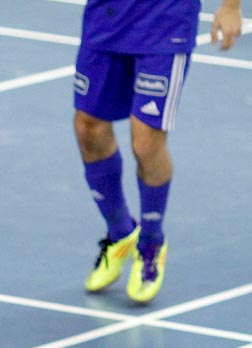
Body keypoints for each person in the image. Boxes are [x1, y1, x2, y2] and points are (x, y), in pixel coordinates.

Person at [74, 0, 243, 303]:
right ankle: (120, 234)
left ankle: (151, 242)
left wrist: (231, 5)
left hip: (164, 21)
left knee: (146, 142)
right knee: (88, 128)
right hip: (108, 14)